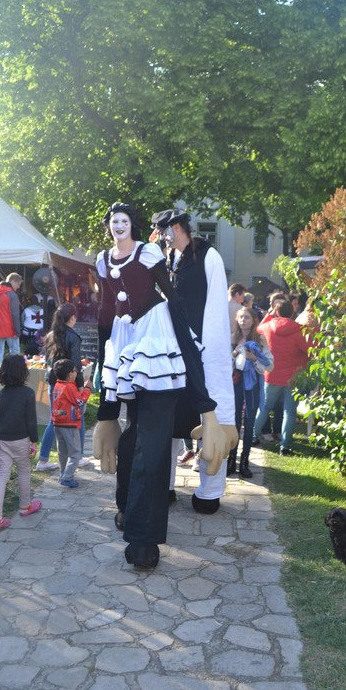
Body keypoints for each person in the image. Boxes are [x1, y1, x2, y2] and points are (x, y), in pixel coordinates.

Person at [94, 202, 225, 570]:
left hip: (159, 347)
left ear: (132, 225)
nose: (118, 226)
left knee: (150, 447)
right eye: (113, 221)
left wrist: (207, 409)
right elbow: (105, 316)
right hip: (125, 343)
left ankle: (143, 540)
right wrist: (106, 413)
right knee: (133, 439)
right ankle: (127, 511)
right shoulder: (103, 261)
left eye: (124, 220)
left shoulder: (152, 256)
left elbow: (177, 310)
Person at [150, 208, 237, 513]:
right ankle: (164, 486)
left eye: (163, 231)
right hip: (171, 348)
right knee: (168, 417)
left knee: (211, 415)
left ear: (176, 227)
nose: (162, 237)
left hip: (202, 350)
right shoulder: (169, 259)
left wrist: (209, 351)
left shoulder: (208, 256)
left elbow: (215, 308)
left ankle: (209, 491)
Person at [35, 302, 91, 471]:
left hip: (54, 382)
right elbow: (75, 365)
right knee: (78, 417)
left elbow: (47, 361)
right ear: (72, 318)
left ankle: (43, 459)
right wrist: (80, 386)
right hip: (69, 385)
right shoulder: (73, 337)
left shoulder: (51, 335)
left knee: (54, 419)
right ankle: (78, 456)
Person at [253, 299, 312, 455]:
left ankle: (253, 436)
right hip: (294, 377)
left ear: (276, 312)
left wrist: (269, 315)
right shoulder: (300, 330)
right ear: (293, 312)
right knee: (290, 412)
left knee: (264, 408)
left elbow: (257, 329)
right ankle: (285, 446)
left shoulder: (268, 327)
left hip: (272, 375)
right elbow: (311, 350)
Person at [0, 354, 41, 530]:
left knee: (2, 475)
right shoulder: (28, 393)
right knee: (24, 471)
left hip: (3, 439)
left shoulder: (2, 393)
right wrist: (34, 441)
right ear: (23, 372)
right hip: (21, 439)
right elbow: (31, 420)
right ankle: (25, 506)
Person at [228, 307, 273, 477]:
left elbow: (269, 364)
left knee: (248, 423)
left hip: (252, 385)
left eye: (246, 317)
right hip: (234, 385)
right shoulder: (232, 338)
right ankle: (231, 459)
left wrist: (253, 358)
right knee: (233, 423)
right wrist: (234, 355)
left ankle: (244, 461)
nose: (243, 320)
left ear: (254, 320)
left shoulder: (259, 340)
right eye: (240, 317)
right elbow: (223, 362)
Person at [51, 358, 92, 488]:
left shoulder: (58, 385)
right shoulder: (69, 387)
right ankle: (67, 478)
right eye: (74, 371)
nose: (76, 373)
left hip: (58, 423)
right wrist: (87, 389)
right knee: (75, 453)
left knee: (62, 452)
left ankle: (63, 474)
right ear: (70, 374)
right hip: (69, 424)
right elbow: (80, 401)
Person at [0, 273, 23, 362]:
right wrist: (17, 331)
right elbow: (15, 314)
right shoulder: (12, 295)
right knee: (15, 354)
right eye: (18, 284)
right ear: (12, 281)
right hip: (10, 328)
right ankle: (14, 371)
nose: (18, 287)